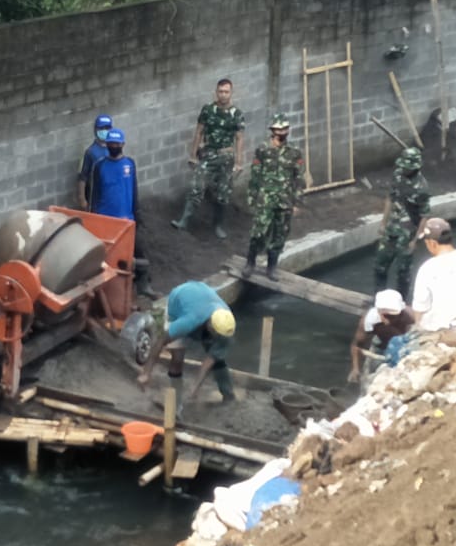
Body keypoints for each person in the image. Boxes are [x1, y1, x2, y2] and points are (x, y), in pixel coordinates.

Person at [138, 281, 237, 409]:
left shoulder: (227, 324)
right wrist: (146, 373)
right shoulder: (189, 321)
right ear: (210, 325)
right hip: (179, 299)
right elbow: (160, 340)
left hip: (202, 293)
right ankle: (176, 402)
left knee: (217, 358)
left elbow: (209, 360)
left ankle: (228, 395)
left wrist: (195, 387)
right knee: (178, 357)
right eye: (215, 334)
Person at [88, 128, 159, 299]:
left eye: (116, 143)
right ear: (107, 144)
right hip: (106, 221)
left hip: (127, 220)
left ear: (123, 144)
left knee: (139, 253)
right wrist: (93, 217)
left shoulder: (129, 164)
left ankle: (144, 286)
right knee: (106, 258)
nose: (113, 146)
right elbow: (94, 193)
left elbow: (134, 191)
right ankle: (107, 292)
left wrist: (137, 214)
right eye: (110, 143)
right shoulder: (99, 166)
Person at [171, 79, 245, 239]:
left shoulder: (236, 114)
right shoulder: (208, 110)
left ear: (231, 93)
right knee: (196, 186)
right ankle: (184, 221)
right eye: (220, 91)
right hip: (209, 154)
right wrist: (193, 155)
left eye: (226, 91)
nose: (223, 95)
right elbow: (199, 132)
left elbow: (239, 138)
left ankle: (217, 225)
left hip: (226, 157)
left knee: (223, 194)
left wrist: (239, 162)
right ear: (216, 92)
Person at [244, 113, 306, 281]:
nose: (282, 132)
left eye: (285, 128)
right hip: (265, 199)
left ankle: (272, 267)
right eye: (279, 129)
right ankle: (250, 262)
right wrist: (252, 197)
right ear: (272, 130)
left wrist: (297, 202)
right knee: (259, 232)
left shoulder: (294, 152)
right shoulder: (263, 149)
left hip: (285, 201)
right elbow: (255, 175)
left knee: (280, 234)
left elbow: (299, 178)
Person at [374, 147, 430, 297]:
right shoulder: (397, 175)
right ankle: (378, 299)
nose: (403, 169)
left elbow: (424, 215)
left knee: (403, 274)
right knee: (380, 266)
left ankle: (401, 305)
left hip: (407, 234)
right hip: (391, 229)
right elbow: (390, 198)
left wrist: (416, 240)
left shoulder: (422, 188)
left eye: (406, 167)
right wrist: (383, 223)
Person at [348, 289, 414, 384]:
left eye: (392, 317)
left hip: (405, 347)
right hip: (381, 347)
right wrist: (355, 368)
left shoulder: (410, 318)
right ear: (378, 311)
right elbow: (357, 345)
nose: (387, 321)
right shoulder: (370, 321)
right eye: (385, 316)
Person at [77, 114, 114, 210]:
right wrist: (82, 199)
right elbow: (83, 177)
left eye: (107, 128)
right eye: (102, 128)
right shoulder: (90, 152)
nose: (105, 130)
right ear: (96, 130)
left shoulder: (114, 148)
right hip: (95, 197)